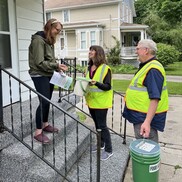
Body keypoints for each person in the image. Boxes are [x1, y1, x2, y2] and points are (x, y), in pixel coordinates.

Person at [28, 18, 68, 144]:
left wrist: (57, 68)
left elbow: (48, 60)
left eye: (60, 31)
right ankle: (38, 132)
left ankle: (45, 124)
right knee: (43, 101)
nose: (58, 32)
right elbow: (39, 62)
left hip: (48, 74)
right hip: (39, 74)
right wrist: (55, 66)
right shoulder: (38, 41)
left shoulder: (49, 40)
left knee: (47, 101)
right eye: (57, 29)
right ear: (49, 27)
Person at [123, 39, 169, 143]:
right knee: (144, 146)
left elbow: (155, 98)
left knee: (146, 147)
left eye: (138, 49)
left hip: (144, 117)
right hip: (140, 115)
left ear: (146, 50)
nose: (136, 51)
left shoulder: (153, 69)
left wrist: (147, 122)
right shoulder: (147, 66)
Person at [84, 45, 113, 160]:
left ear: (98, 53)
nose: (90, 52)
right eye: (89, 50)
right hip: (91, 101)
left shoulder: (106, 69)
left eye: (92, 50)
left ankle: (109, 149)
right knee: (97, 125)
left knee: (102, 126)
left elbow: (107, 86)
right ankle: (100, 144)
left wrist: (96, 83)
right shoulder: (88, 68)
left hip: (101, 102)